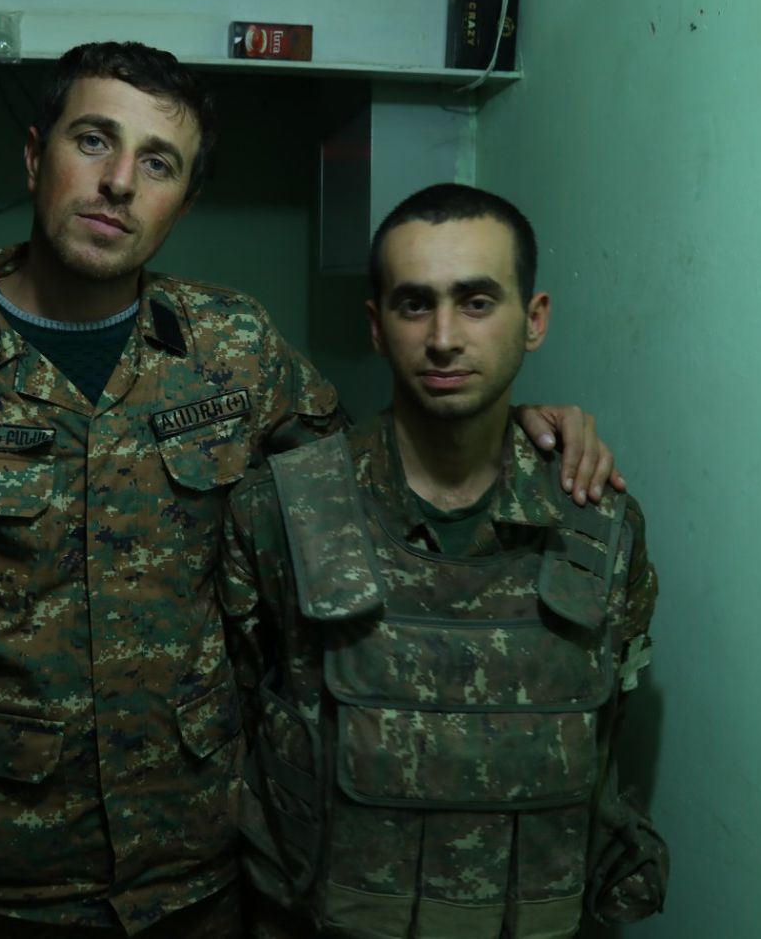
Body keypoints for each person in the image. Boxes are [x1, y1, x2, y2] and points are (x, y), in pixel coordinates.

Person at [0, 41, 622, 939]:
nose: (118, 182)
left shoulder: (235, 349)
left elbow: (372, 472)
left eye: (158, 163)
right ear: (35, 156)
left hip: (200, 876)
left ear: (182, 202)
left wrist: (512, 423)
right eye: (94, 141)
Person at [219, 184, 668, 938]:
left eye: (477, 301)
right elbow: (231, 724)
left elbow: (610, 721)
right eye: (414, 304)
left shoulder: (601, 526)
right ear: (376, 325)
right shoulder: (279, 512)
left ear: (534, 319)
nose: (444, 337)